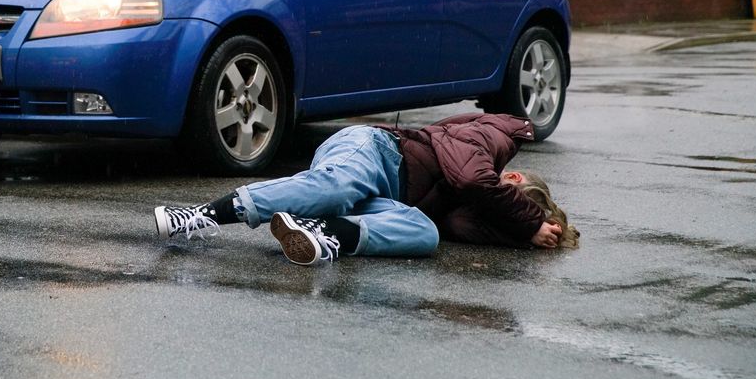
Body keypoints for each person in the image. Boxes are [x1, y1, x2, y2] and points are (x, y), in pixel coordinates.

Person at [154, 113, 579, 266]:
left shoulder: (484, 202)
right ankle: (200, 215)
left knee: (426, 234)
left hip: (386, 196)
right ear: (514, 180)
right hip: (373, 150)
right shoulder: (492, 137)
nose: (501, 203)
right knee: (340, 186)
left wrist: (521, 234)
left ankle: (325, 234)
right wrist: (526, 224)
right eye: (510, 200)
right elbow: (470, 179)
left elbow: (459, 222)